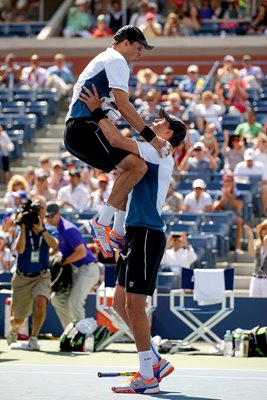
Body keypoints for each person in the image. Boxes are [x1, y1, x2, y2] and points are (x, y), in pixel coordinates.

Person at [78, 87, 186, 393]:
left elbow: (115, 140)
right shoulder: (152, 151)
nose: (156, 121)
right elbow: (125, 192)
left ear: (169, 134)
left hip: (148, 234)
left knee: (136, 307)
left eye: (163, 121)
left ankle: (148, 377)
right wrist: (118, 230)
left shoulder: (159, 149)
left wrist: (98, 111)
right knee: (119, 304)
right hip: (136, 234)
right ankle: (154, 359)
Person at [65, 25, 168, 256]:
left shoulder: (107, 60)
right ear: (125, 43)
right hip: (84, 127)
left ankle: (118, 232)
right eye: (139, 48)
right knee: (137, 166)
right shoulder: (116, 60)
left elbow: (113, 108)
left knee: (129, 170)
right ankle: (101, 223)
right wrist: (152, 138)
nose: (140, 55)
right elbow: (123, 104)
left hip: (81, 128)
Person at [6, 196, 58, 350]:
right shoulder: (22, 228)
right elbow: (19, 249)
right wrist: (22, 225)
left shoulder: (49, 229)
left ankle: (33, 337)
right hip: (22, 276)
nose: (38, 212)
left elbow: (54, 246)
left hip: (41, 275)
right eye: (36, 208)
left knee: (41, 301)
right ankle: (13, 328)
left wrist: (41, 229)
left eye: (41, 208)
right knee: (19, 320)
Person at [46, 202, 99, 329]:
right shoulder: (60, 228)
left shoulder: (68, 228)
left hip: (87, 268)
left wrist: (63, 262)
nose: (48, 219)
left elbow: (81, 252)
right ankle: (70, 333)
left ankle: (83, 336)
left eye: (51, 216)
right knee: (58, 299)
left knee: (75, 303)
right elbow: (60, 245)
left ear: (58, 214)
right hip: (77, 270)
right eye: (47, 216)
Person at [213, 173, 244, 253]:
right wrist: (224, 197)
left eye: (229, 181)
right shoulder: (219, 194)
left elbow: (238, 206)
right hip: (222, 216)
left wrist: (229, 196)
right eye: (226, 181)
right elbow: (215, 208)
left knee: (239, 221)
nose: (228, 183)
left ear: (233, 182)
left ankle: (238, 247)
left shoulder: (238, 194)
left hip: (234, 216)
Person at [245, 220, 267, 297]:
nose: (265, 231)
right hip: (256, 278)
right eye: (264, 229)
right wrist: (251, 236)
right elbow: (251, 252)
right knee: (254, 303)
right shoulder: (258, 245)